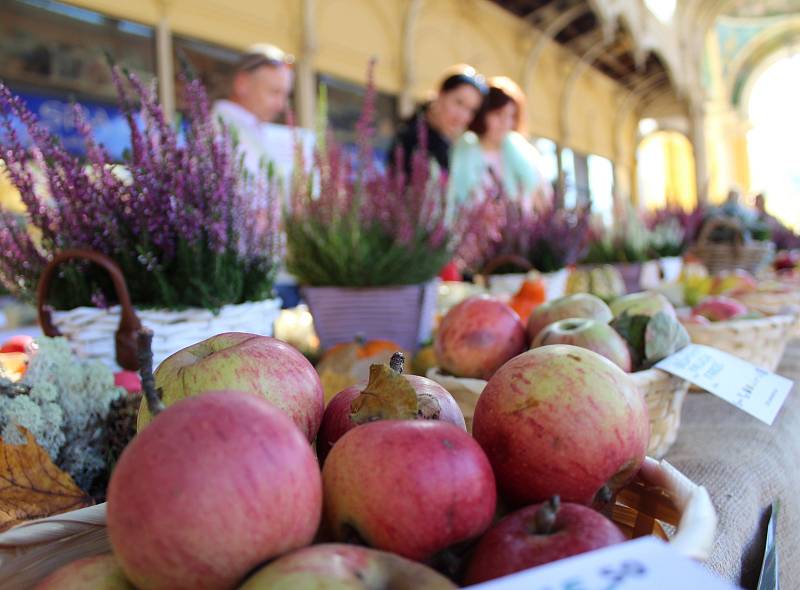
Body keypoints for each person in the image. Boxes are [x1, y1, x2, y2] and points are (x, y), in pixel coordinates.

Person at [448, 76, 551, 208]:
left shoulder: (524, 156)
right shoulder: (462, 153)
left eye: (511, 116)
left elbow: (543, 203)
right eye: (498, 114)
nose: (505, 123)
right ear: (483, 114)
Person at [387, 64, 487, 178]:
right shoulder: (411, 138)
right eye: (459, 102)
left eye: (471, 110)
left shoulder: (451, 144)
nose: (462, 116)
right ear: (441, 94)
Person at [212, 43, 295, 177]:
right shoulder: (217, 130)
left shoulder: (257, 130)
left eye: (285, 95)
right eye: (274, 92)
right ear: (242, 84)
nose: (281, 105)